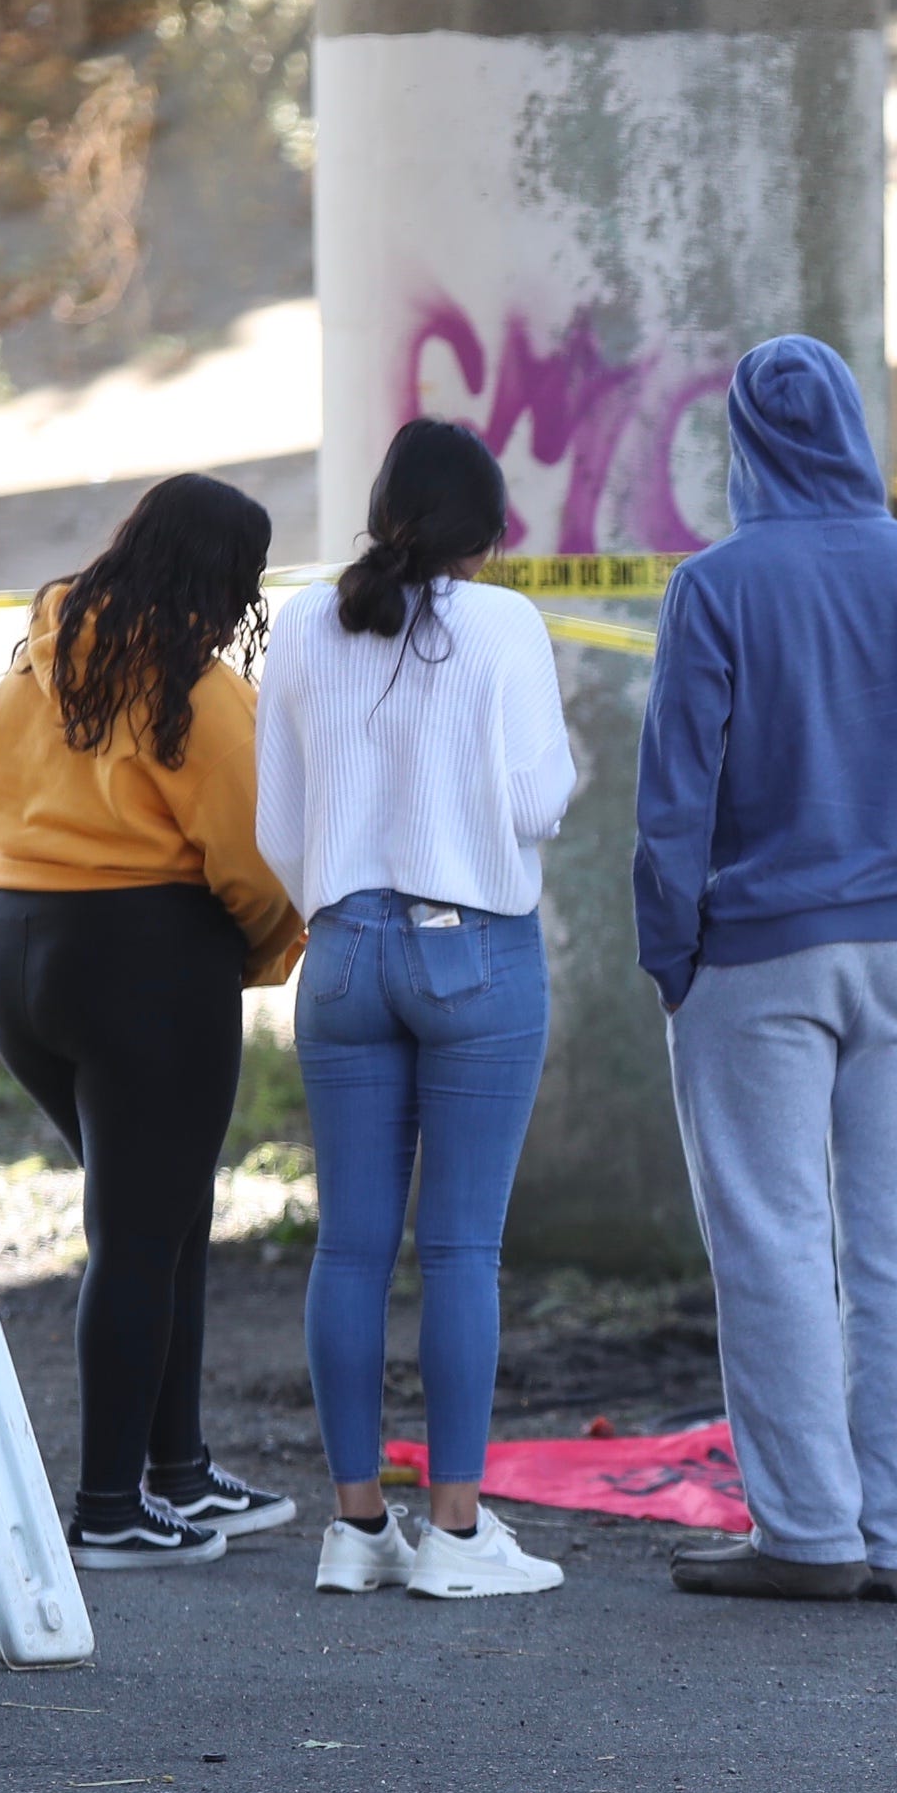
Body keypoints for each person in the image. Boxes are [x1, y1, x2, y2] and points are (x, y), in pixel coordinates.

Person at [634, 334, 897, 1609]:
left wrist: (671, 957)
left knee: (774, 1241)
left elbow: (674, 800)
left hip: (754, 960)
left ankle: (808, 1531)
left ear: (743, 442)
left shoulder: (716, 587)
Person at [258, 418, 577, 1601]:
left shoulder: (302, 623)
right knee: (456, 1247)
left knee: (348, 1243)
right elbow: (537, 800)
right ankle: (453, 1533)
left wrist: (345, 901)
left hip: (339, 952)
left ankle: (355, 1526)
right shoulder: (505, 625)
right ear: (487, 530)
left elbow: (275, 826)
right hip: (472, 950)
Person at [0, 473, 305, 1569]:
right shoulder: (196, 693)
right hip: (143, 960)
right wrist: (258, 951)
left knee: (160, 1219)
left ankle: (177, 1471)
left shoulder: (41, 656)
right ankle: (110, 1503)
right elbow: (258, 859)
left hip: (15, 945)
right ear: (220, 579)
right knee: (142, 1230)